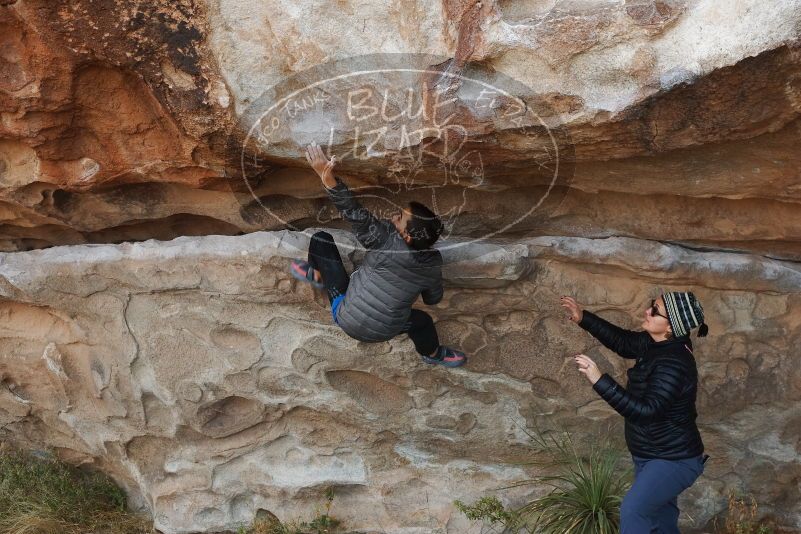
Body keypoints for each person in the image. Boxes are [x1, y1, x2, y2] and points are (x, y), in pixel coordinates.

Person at [289, 142, 466, 367]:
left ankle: (317, 275)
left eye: (399, 219)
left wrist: (325, 175)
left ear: (408, 237)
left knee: (321, 240)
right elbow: (433, 299)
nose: (393, 218)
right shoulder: (431, 265)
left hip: (346, 315)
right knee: (422, 321)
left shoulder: (384, 241)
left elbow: (353, 211)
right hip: (388, 331)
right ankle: (432, 354)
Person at [561, 292, 709, 534]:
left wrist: (600, 380)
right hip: (652, 456)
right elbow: (624, 342)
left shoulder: (674, 363)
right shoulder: (658, 343)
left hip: (673, 460)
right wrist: (583, 318)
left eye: (656, 310)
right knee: (662, 524)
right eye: (652, 305)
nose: (647, 311)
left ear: (671, 326)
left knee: (634, 510)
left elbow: (645, 412)